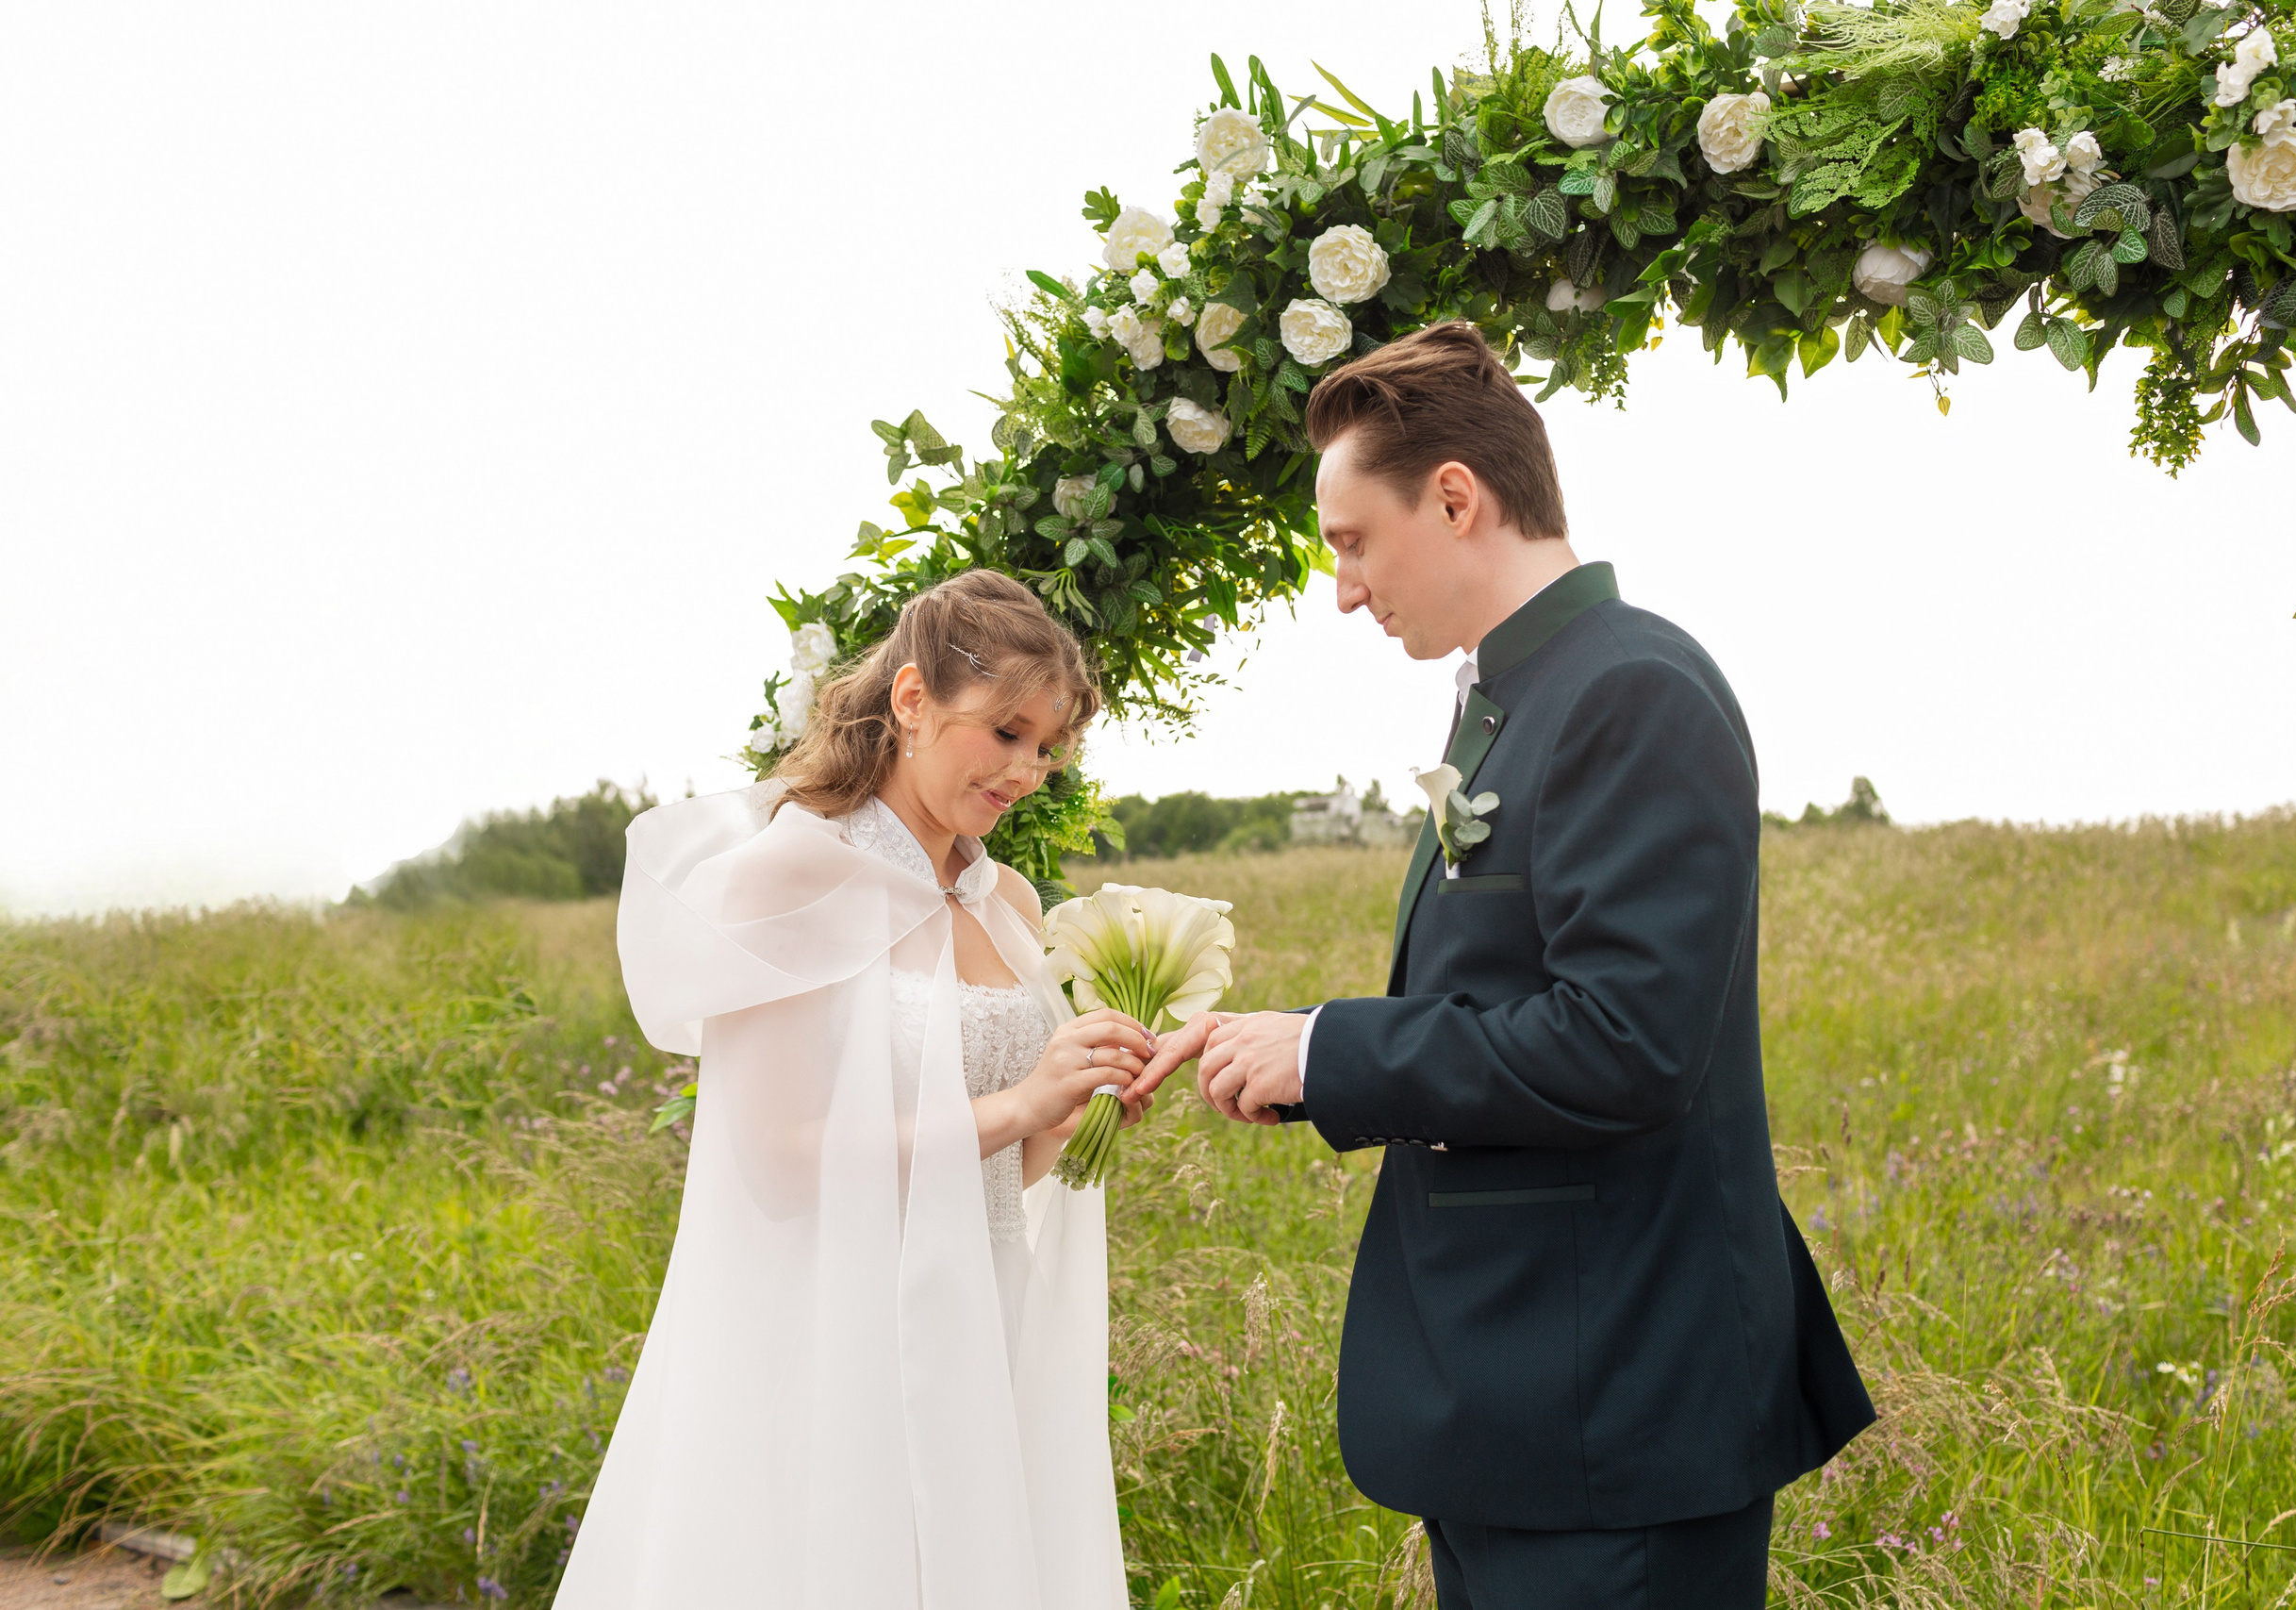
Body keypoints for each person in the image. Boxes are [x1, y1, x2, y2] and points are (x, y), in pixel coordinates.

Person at [1134, 322, 1877, 1609]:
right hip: (1528, 1403)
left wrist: (1329, 1047)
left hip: (1614, 1407)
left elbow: (1624, 1041)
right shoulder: (1514, 699)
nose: (1346, 588)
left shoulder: (1633, 688)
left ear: (1458, 497)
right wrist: (1308, 1056)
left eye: (1355, 540)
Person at [557, 570, 1147, 1609]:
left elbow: (1007, 1157)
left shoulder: (1002, 896)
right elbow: (780, 1149)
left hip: (986, 1305)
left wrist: (1073, 1103)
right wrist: (1016, 1105)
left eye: (1048, 748)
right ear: (912, 701)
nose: (1027, 771)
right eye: (1005, 731)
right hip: (841, 1325)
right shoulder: (787, 876)